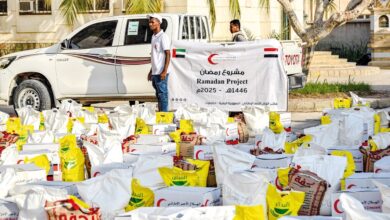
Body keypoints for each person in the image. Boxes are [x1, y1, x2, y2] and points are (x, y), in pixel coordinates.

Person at [147, 14, 171, 112]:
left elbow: (168, 54)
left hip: (161, 72)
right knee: (158, 95)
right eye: (149, 22)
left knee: (163, 94)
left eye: (152, 22)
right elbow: (154, 56)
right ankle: (161, 114)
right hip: (155, 72)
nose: (150, 24)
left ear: (158, 23)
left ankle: (164, 115)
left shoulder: (163, 36)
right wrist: (151, 71)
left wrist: (164, 71)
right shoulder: (154, 36)